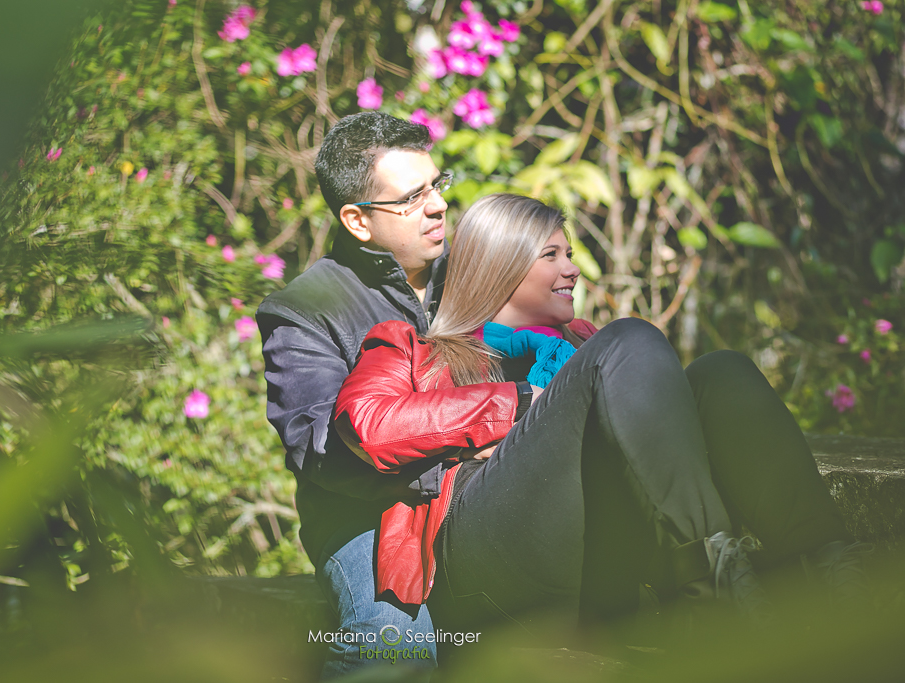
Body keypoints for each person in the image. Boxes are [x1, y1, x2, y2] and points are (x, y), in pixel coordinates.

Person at [334, 193, 868, 642]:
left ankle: (831, 575)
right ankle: (715, 591)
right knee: (631, 337)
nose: (572, 269)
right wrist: (521, 399)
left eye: (569, 253)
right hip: (487, 565)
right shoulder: (413, 348)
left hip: (595, 559)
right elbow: (368, 425)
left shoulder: (586, 347)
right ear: (500, 267)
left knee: (723, 374)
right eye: (552, 255)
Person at [256, 112, 454, 678]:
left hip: (478, 502)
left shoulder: (472, 275)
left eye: (437, 185)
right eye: (413, 197)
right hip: (365, 522)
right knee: (394, 646)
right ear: (357, 220)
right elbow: (320, 452)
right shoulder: (304, 309)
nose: (438, 205)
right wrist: (453, 459)